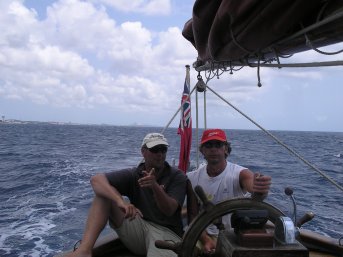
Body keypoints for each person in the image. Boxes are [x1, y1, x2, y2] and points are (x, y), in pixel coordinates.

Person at [67, 132, 187, 257]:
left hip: (167, 233)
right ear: (143, 151)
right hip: (140, 228)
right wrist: (121, 201)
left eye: (163, 149)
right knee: (103, 195)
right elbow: (96, 180)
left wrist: (155, 186)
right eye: (155, 149)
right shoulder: (134, 174)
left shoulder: (177, 176)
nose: (160, 154)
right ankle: (84, 251)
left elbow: (169, 210)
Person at [187, 129, 272, 253]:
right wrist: (206, 240)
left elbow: (254, 190)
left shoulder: (241, 174)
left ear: (225, 149)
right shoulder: (192, 178)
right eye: (208, 145)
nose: (213, 149)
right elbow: (193, 216)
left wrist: (260, 190)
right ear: (202, 151)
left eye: (218, 145)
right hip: (204, 235)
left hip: (236, 235)